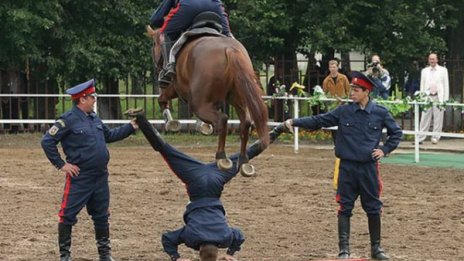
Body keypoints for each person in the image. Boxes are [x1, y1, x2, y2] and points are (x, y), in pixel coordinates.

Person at [124, 109, 283, 261]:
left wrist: (230, 253)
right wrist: (176, 257)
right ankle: (141, 118)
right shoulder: (191, 239)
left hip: (216, 180)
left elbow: (239, 235)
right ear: (199, 253)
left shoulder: (226, 237)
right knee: (166, 150)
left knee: (246, 155)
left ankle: (278, 130)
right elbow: (167, 238)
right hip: (195, 180)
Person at [281, 71, 402, 260]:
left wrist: (385, 150)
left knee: (373, 208)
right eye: (351, 89)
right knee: (344, 208)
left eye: (355, 90)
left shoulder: (380, 112)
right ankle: (343, 250)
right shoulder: (344, 110)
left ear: (366, 92)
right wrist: (294, 122)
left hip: (369, 168)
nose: (351, 92)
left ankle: (376, 249)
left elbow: (396, 133)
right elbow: (319, 121)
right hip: (346, 168)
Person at [41, 79, 138, 261]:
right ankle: (65, 256)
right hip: (80, 177)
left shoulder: (94, 118)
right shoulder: (67, 120)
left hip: (100, 177)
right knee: (67, 215)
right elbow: (47, 141)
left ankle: (105, 255)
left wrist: (130, 127)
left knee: (102, 216)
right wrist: (61, 164)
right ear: (82, 99)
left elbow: (109, 136)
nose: (95, 100)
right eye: (92, 97)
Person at [150, 0, 232, 85]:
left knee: (164, 33)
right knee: (228, 36)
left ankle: (169, 67)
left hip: (189, 6)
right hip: (215, 6)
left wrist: (171, 21)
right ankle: (244, 59)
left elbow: (155, 19)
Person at [417, 53, 449, 144]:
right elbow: (422, 85)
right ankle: (421, 137)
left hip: (438, 97)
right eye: (430, 59)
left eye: (434, 59)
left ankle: (435, 137)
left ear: (437, 60)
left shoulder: (443, 70)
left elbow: (446, 85)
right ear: (428, 60)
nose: (432, 61)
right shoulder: (424, 71)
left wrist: (445, 99)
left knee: (438, 118)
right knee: (424, 118)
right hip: (427, 96)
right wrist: (422, 98)